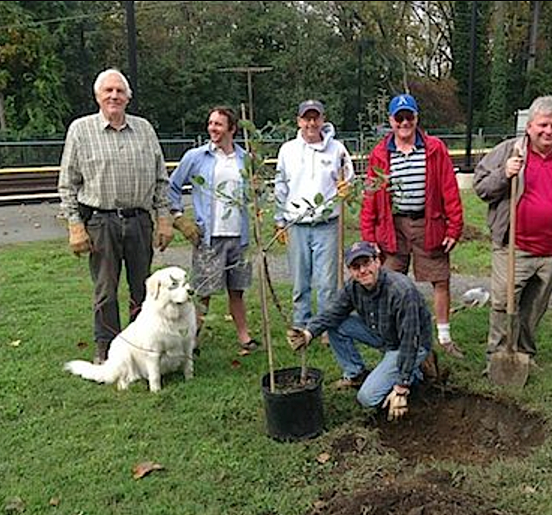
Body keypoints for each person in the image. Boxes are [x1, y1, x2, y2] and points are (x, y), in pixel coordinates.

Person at [58, 68, 173, 365]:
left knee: (144, 289)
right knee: (106, 291)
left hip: (139, 221)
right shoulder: (81, 131)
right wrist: (75, 225)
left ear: (128, 97)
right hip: (100, 222)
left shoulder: (144, 129)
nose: (114, 96)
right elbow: (68, 183)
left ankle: (143, 346)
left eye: (120, 91)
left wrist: (164, 218)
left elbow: (161, 178)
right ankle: (106, 348)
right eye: (108, 91)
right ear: (97, 96)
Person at [473, 95, 552, 370]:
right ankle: (497, 357)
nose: (549, 131)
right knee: (502, 302)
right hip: (514, 245)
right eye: (543, 125)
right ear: (530, 126)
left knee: (534, 307)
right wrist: (504, 175)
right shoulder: (508, 151)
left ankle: (524, 354)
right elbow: (481, 187)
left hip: (551, 249)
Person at [360, 94, 464, 359]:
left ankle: (443, 335)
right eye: (399, 118)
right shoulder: (380, 154)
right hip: (393, 225)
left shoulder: (434, 148)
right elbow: (371, 195)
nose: (404, 122)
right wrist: (369, 235)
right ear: (391, 121)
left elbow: (449, 189)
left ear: (417, 118)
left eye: (409, 117)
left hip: (429, 222)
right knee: (389, 281)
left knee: (440, 279)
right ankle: (393, 336)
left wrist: (454, 227)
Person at [286, 241, 432, 420]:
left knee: (367, 398)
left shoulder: (401, 292)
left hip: (409, 344)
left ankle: (414, 375)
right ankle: (356, 374)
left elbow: (411, 340)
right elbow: (333, 312)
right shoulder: (354, 287)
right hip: (383, 334)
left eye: (366, 263)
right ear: (350, 270)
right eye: (356, 267)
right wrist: (309, 332)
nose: (362, 270)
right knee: (336, 323)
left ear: (377, 262)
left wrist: (401, 389)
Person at [168, 106, 257, 352]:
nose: (212, 128)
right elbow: (172, 186)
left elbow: (254, 192)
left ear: (232, 129)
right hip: (209, 236)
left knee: (237, 289)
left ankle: (244, 336)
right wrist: (178, 216)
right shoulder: (196, 157)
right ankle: (192, 338)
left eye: (218, 124)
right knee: (203, 290)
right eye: (210, 123)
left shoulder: (244, 158)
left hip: (239, 237)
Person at [274, 99, 355, 332]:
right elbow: (281, 186)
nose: (311, 123)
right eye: (306, 118)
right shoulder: (287, 150)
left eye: (315, 118)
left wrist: (346, 188)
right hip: (297, 223)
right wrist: (280, 220)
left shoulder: (337, 150)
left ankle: (325, 327)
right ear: (299, 121)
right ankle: (301, 325)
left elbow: (348, 180)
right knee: (300, 282)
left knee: (327, 283)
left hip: (327, 224)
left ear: (322, 119)